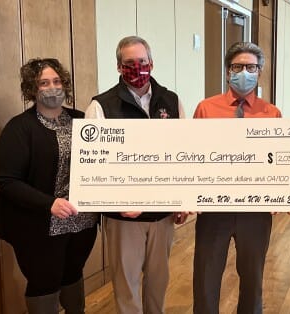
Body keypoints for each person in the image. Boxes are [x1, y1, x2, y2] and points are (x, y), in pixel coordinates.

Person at [85, 35, 189, 314]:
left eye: (142, 61)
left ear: (151, 63)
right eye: (129, 63)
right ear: (119, 67)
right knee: (126, 284)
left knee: (159, 281)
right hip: (123, 216)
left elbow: (183, 152)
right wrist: (115, 202)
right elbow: (92, 165)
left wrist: (182, 200)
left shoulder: (171, 100)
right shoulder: (101, 105)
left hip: (162, 212)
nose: (137, 67)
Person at [0, 58, 99, 314]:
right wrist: (49, 203)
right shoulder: (19, 128)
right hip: (39, 225)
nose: (52, 88)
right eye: (43, 83)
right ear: (32, 89)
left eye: (56, 81)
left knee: (73, 273)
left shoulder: (82, 121)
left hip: (81, 222)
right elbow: (8, 181)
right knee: (44, 281)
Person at [193, 42, 281, 314]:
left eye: (251, 67)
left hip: (255, 210)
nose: (244, 72)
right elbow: (192, 155)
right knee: (206, 277)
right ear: (227, 71)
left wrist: (284, 192)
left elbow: (278, 160)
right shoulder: (206, 108)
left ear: (260, 71)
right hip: (213, 207)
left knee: (253, 278)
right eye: (237, 67)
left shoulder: (272, 113)